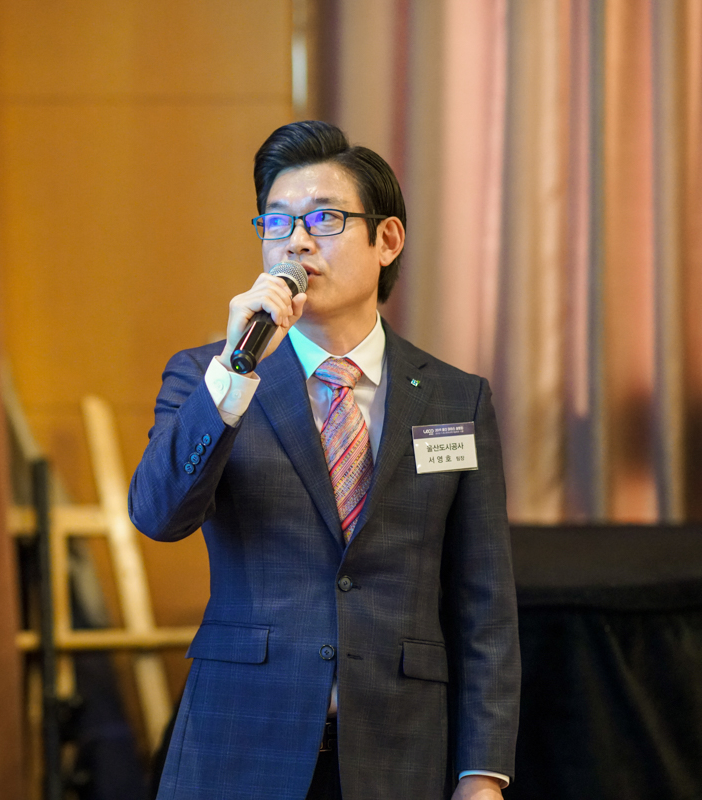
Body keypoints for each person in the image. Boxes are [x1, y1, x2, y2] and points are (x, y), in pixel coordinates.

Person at [129, 120, 520, 800]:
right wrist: (236, 370)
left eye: (324, 219)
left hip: (399, 751)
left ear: (387, 240)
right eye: (276, 221)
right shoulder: (209, 377)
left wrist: (481, 773)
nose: (297, 241)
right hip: (239, 743)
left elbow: (483, 600)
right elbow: (158, 515)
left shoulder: (455, 398)